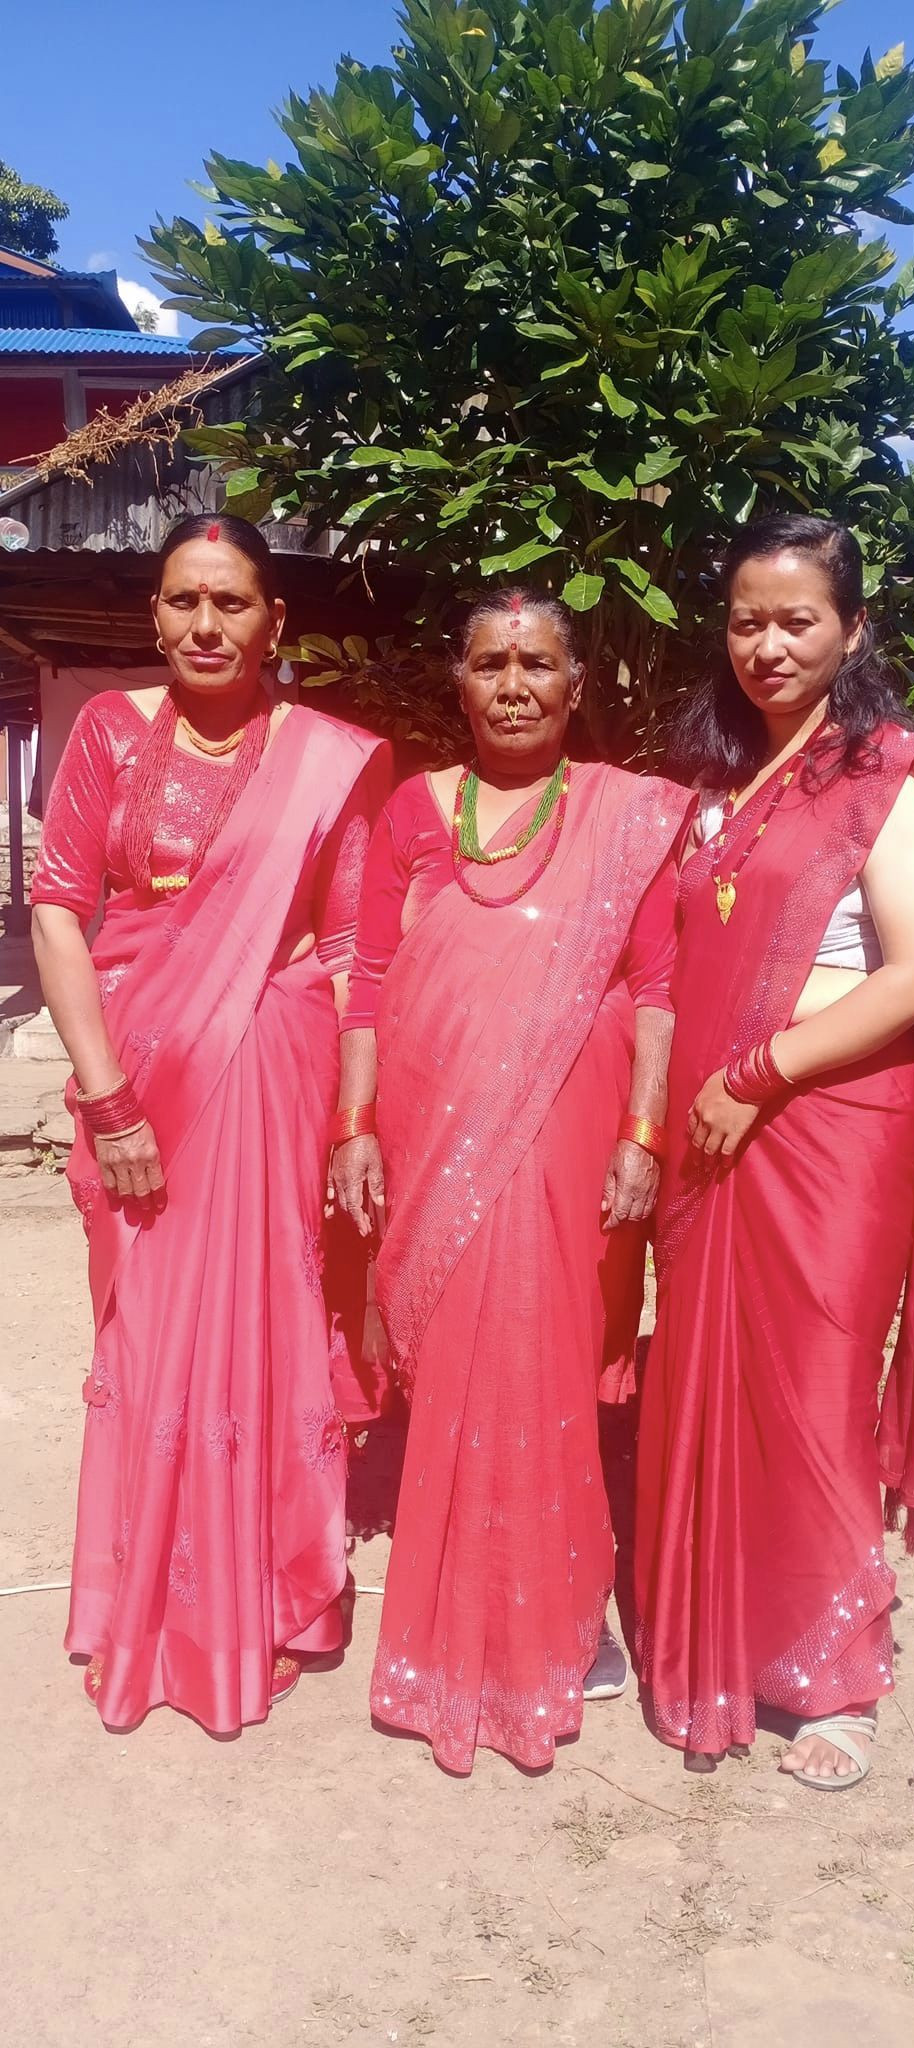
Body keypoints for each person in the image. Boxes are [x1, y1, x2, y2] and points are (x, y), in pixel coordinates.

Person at [30, 512, 390, 1733]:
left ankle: (258, 1599)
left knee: (261, 1329)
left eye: (230, 601)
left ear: (273, 621)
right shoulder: (108, 730)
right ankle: (145, 1594)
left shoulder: (329, 756)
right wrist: (107, 1097)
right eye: (184, 599)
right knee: (146, 1335)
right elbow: (60, 908)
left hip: (270, 1077)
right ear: (155, 613)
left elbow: (351, 945)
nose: (205, 623)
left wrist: (353, 1113)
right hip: (136, 1074)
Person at [330, 588, 691, 1773]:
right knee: (454, 1371)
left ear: (575, 686)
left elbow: (657, 985)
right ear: (460, 681)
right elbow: (368, 976)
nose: (515, 684)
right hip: (431, 1132)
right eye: (491, 662)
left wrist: (643, 1130)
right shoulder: (414, 809)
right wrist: (354, 1124)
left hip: (569, 1135)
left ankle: (565, 1609)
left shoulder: (622, 816)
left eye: (538, 663)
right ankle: (455, 1618)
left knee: (548, 1359)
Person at [634, 515, 914, 1789]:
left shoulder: (883, 777)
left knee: (813, 1392)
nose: (766, 644)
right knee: (710, 1382)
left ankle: (836, 1676)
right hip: (716, 1131)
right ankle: (718, 1633)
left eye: (796, 619)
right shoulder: (718, 782)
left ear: (852, 629)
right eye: (746, 621)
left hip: (828, 1123)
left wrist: (761, 1072)